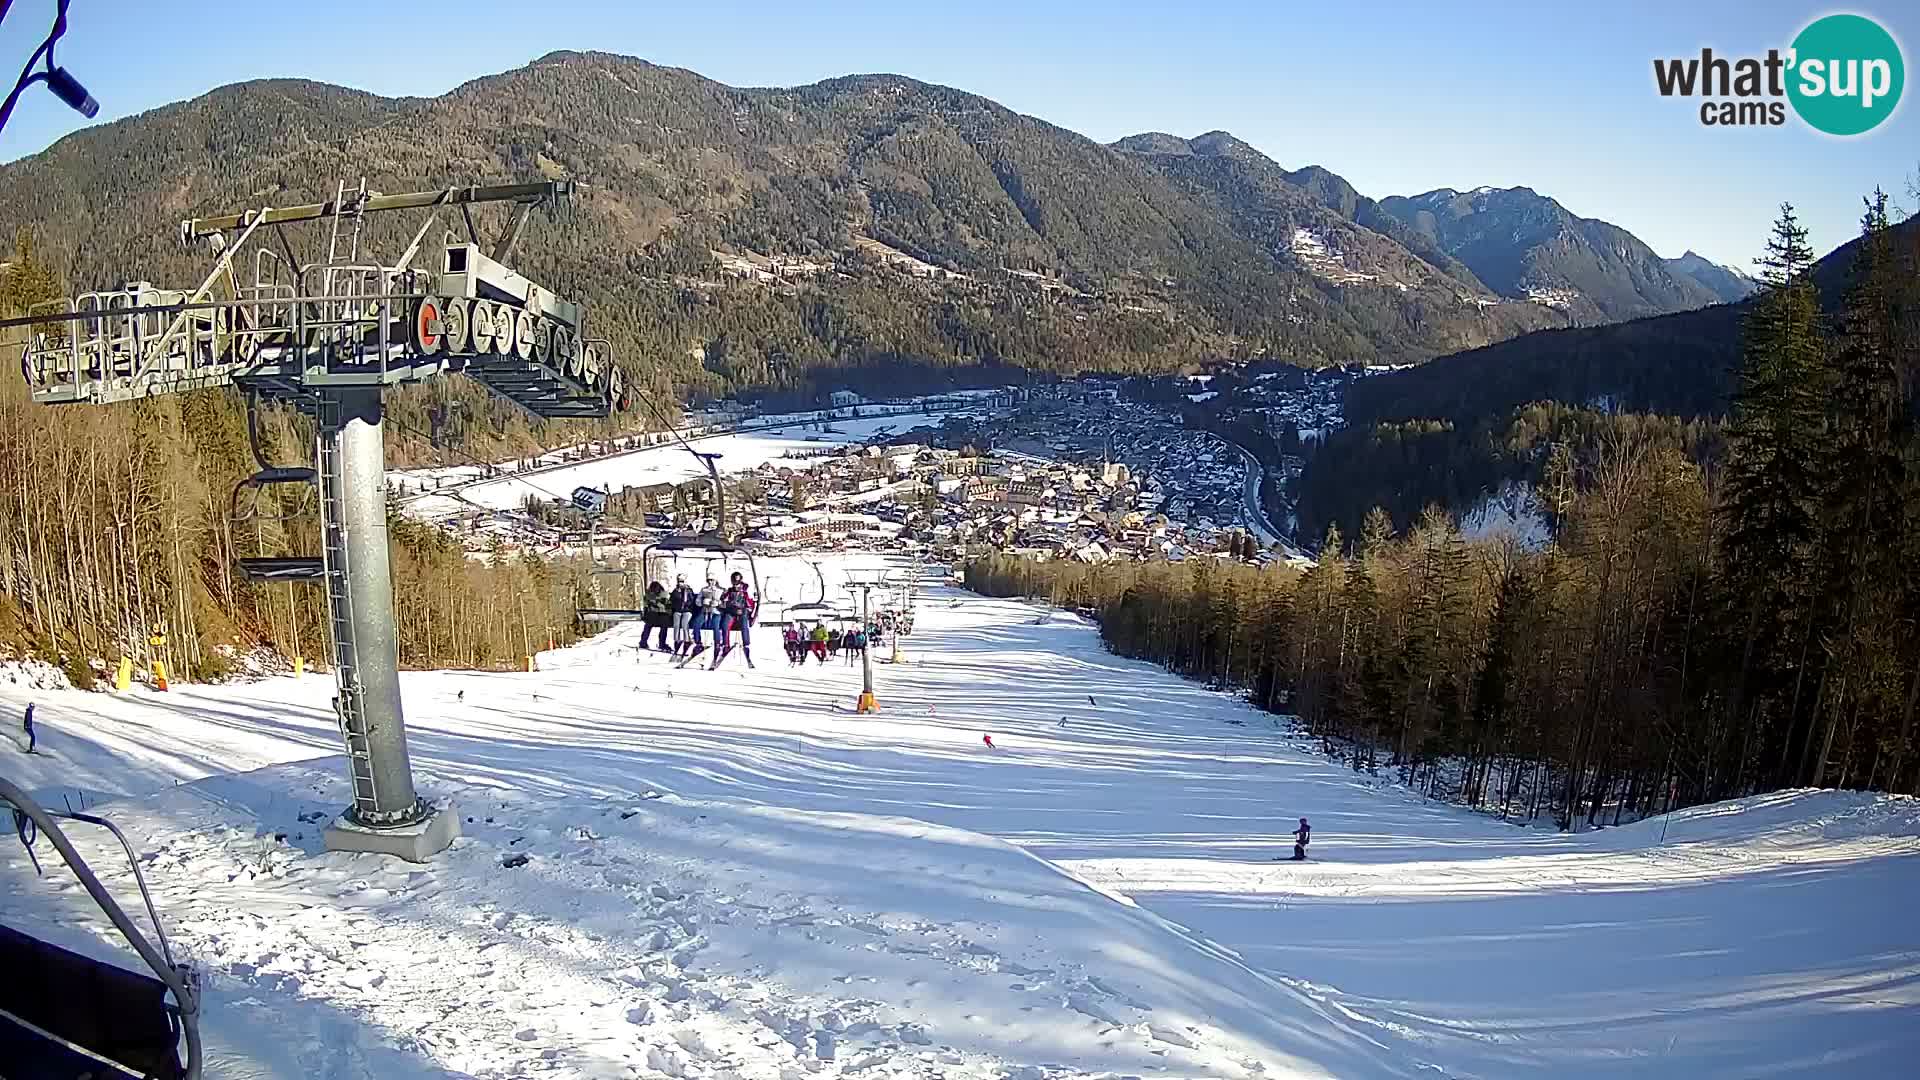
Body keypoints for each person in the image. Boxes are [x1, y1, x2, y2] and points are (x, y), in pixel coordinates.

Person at [714, 571, 756, 668]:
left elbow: (750, 603)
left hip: (742, 611)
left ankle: (746, 644)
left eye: (737, 582)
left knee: (744, 624)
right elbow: (723, 599)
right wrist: (725, 603)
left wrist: (747, 609)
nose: (736, 585)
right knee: (725, 624)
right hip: (732, 611)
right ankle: (726, 644)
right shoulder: (730, 590)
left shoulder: (745, 591)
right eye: (734, 582)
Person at [668, 575, 697, 656]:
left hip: (687, 611)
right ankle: (676, 641)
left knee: (684, 624)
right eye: (679, 581)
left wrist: (686, 604)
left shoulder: (689, 590)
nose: (681, 583)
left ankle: (687, 641)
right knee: (676, 624)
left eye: (682, 581)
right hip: (678, 611)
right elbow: (672, 601)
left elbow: (692, 601)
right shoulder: (675, 591)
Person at [639, 581, 671, 652]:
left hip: (658, 614)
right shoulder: (651, 595)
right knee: (653, 625)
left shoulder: (661, 594)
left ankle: (644, 641)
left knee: (650, 626)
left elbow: (666, 604)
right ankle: (660, 643)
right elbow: (647, 605)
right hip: (656, 614)